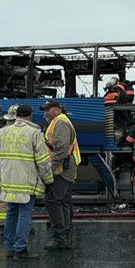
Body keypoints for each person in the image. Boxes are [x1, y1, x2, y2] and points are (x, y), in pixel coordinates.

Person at [0, 103, 53, 260]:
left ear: (16, 115)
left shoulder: (0, 133)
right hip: (26, 182)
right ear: (30, 116)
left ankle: (9, 248)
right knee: (25, 214)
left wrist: (6, 169)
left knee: (11, 212)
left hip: (8, 181)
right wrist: (48, 180)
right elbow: (42, 161)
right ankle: (21, 249)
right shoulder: (34, 133)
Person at [42, 99, 80, 251]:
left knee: (53, 201)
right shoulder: (59, 122)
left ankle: (59, 237)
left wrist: (50, 169)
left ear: (57, 109)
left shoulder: (60, 123)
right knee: (63, 201)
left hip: (61, 169)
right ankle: (64, 234)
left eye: (48, 110)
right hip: (64, 168)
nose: (45, 113)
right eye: (45, 110)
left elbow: (61, 149)